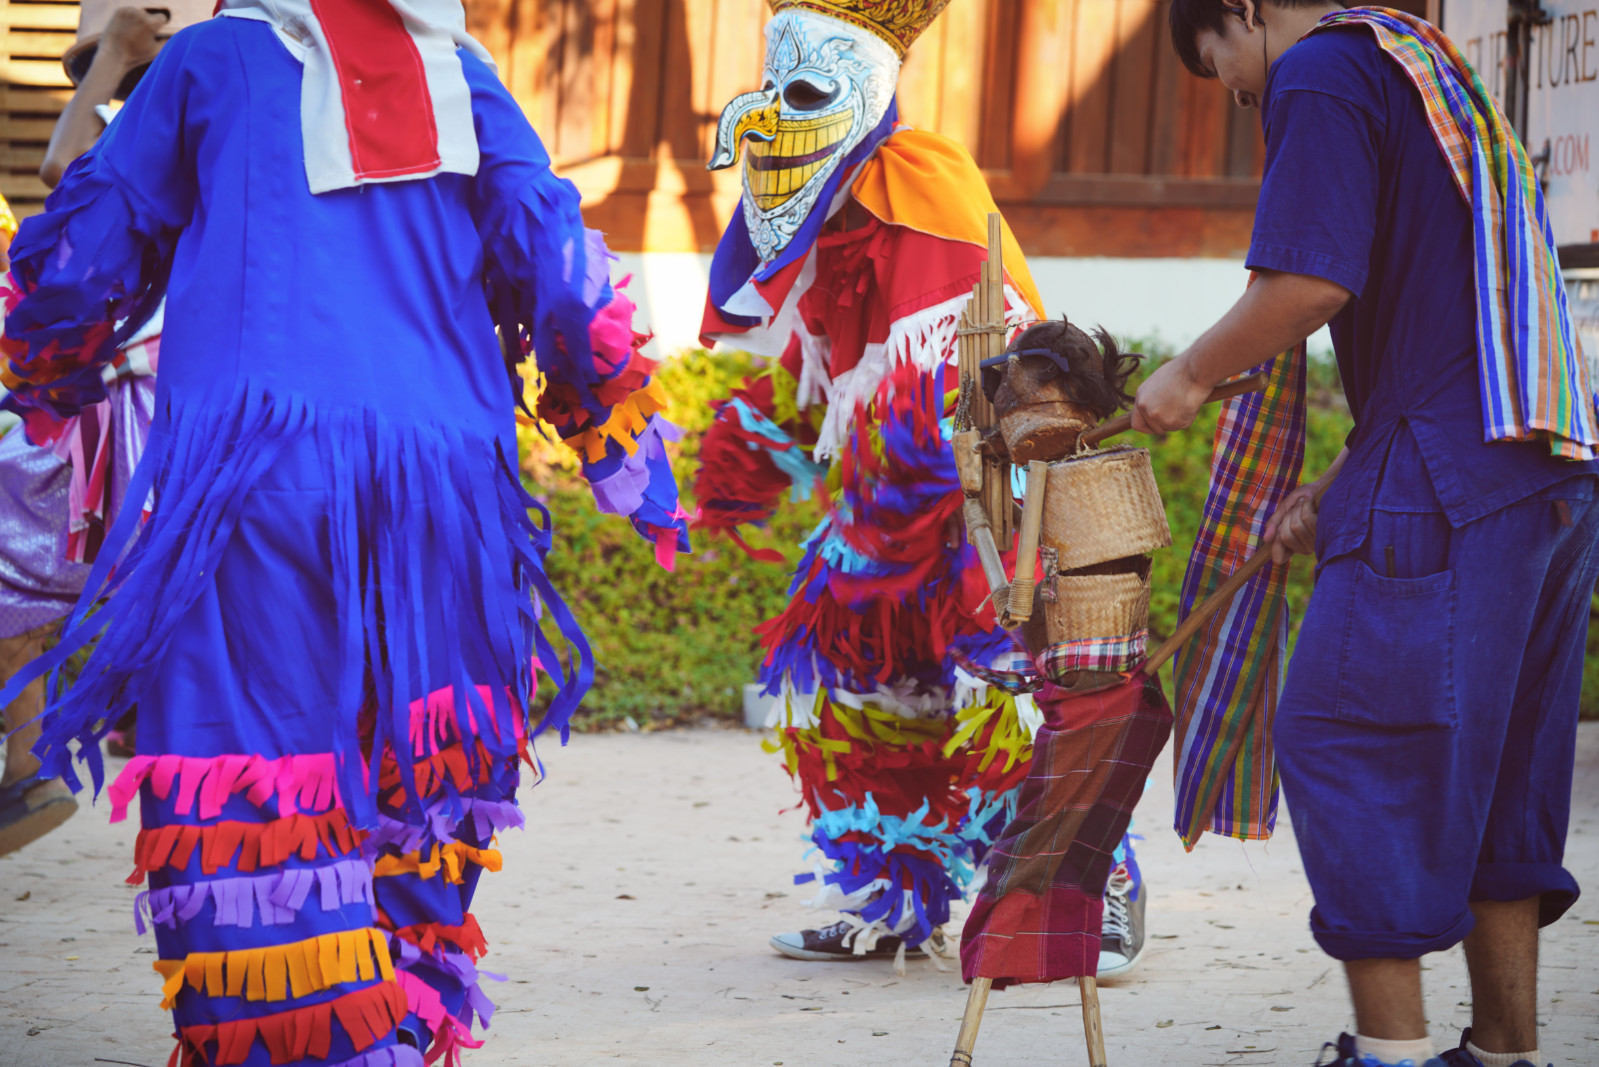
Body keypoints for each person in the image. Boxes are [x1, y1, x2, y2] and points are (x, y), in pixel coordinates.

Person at [0, 3, 685, 1063]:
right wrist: (610, 429)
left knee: (257, 771)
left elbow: (89, 255)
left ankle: (319, 1045)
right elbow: (553, 256)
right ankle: (400, 1027)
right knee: (422, 768)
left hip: (258, 476)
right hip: (449, 487)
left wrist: (46, 364)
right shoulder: (464, 75)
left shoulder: (214, 59)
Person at [1144, 3, 1599, 1066]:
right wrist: (1340, 485)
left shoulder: (1322, 70)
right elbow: (1452, 331)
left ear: (1245, 12)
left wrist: (1190, 371)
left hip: (1446, 472)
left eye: (1233, 80)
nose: (1252, 101)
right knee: (1495, 776)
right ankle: (1503, 1053)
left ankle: (1390, 1055)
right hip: (1548, 459)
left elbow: (1309, 281)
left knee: (1346, 742)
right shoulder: (1432, 65)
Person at [691, 0, 1158, 973]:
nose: (773, 117)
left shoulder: (927, 189)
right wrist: (751, 448)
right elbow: (821, 377)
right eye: (773, 90)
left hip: (972, 516)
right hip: (874, 521)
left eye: (807, 91)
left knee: (1008, 703)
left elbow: (995, 370)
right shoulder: (822, 215)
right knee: (859, 704)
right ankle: (897, 892)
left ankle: (1090, 883)